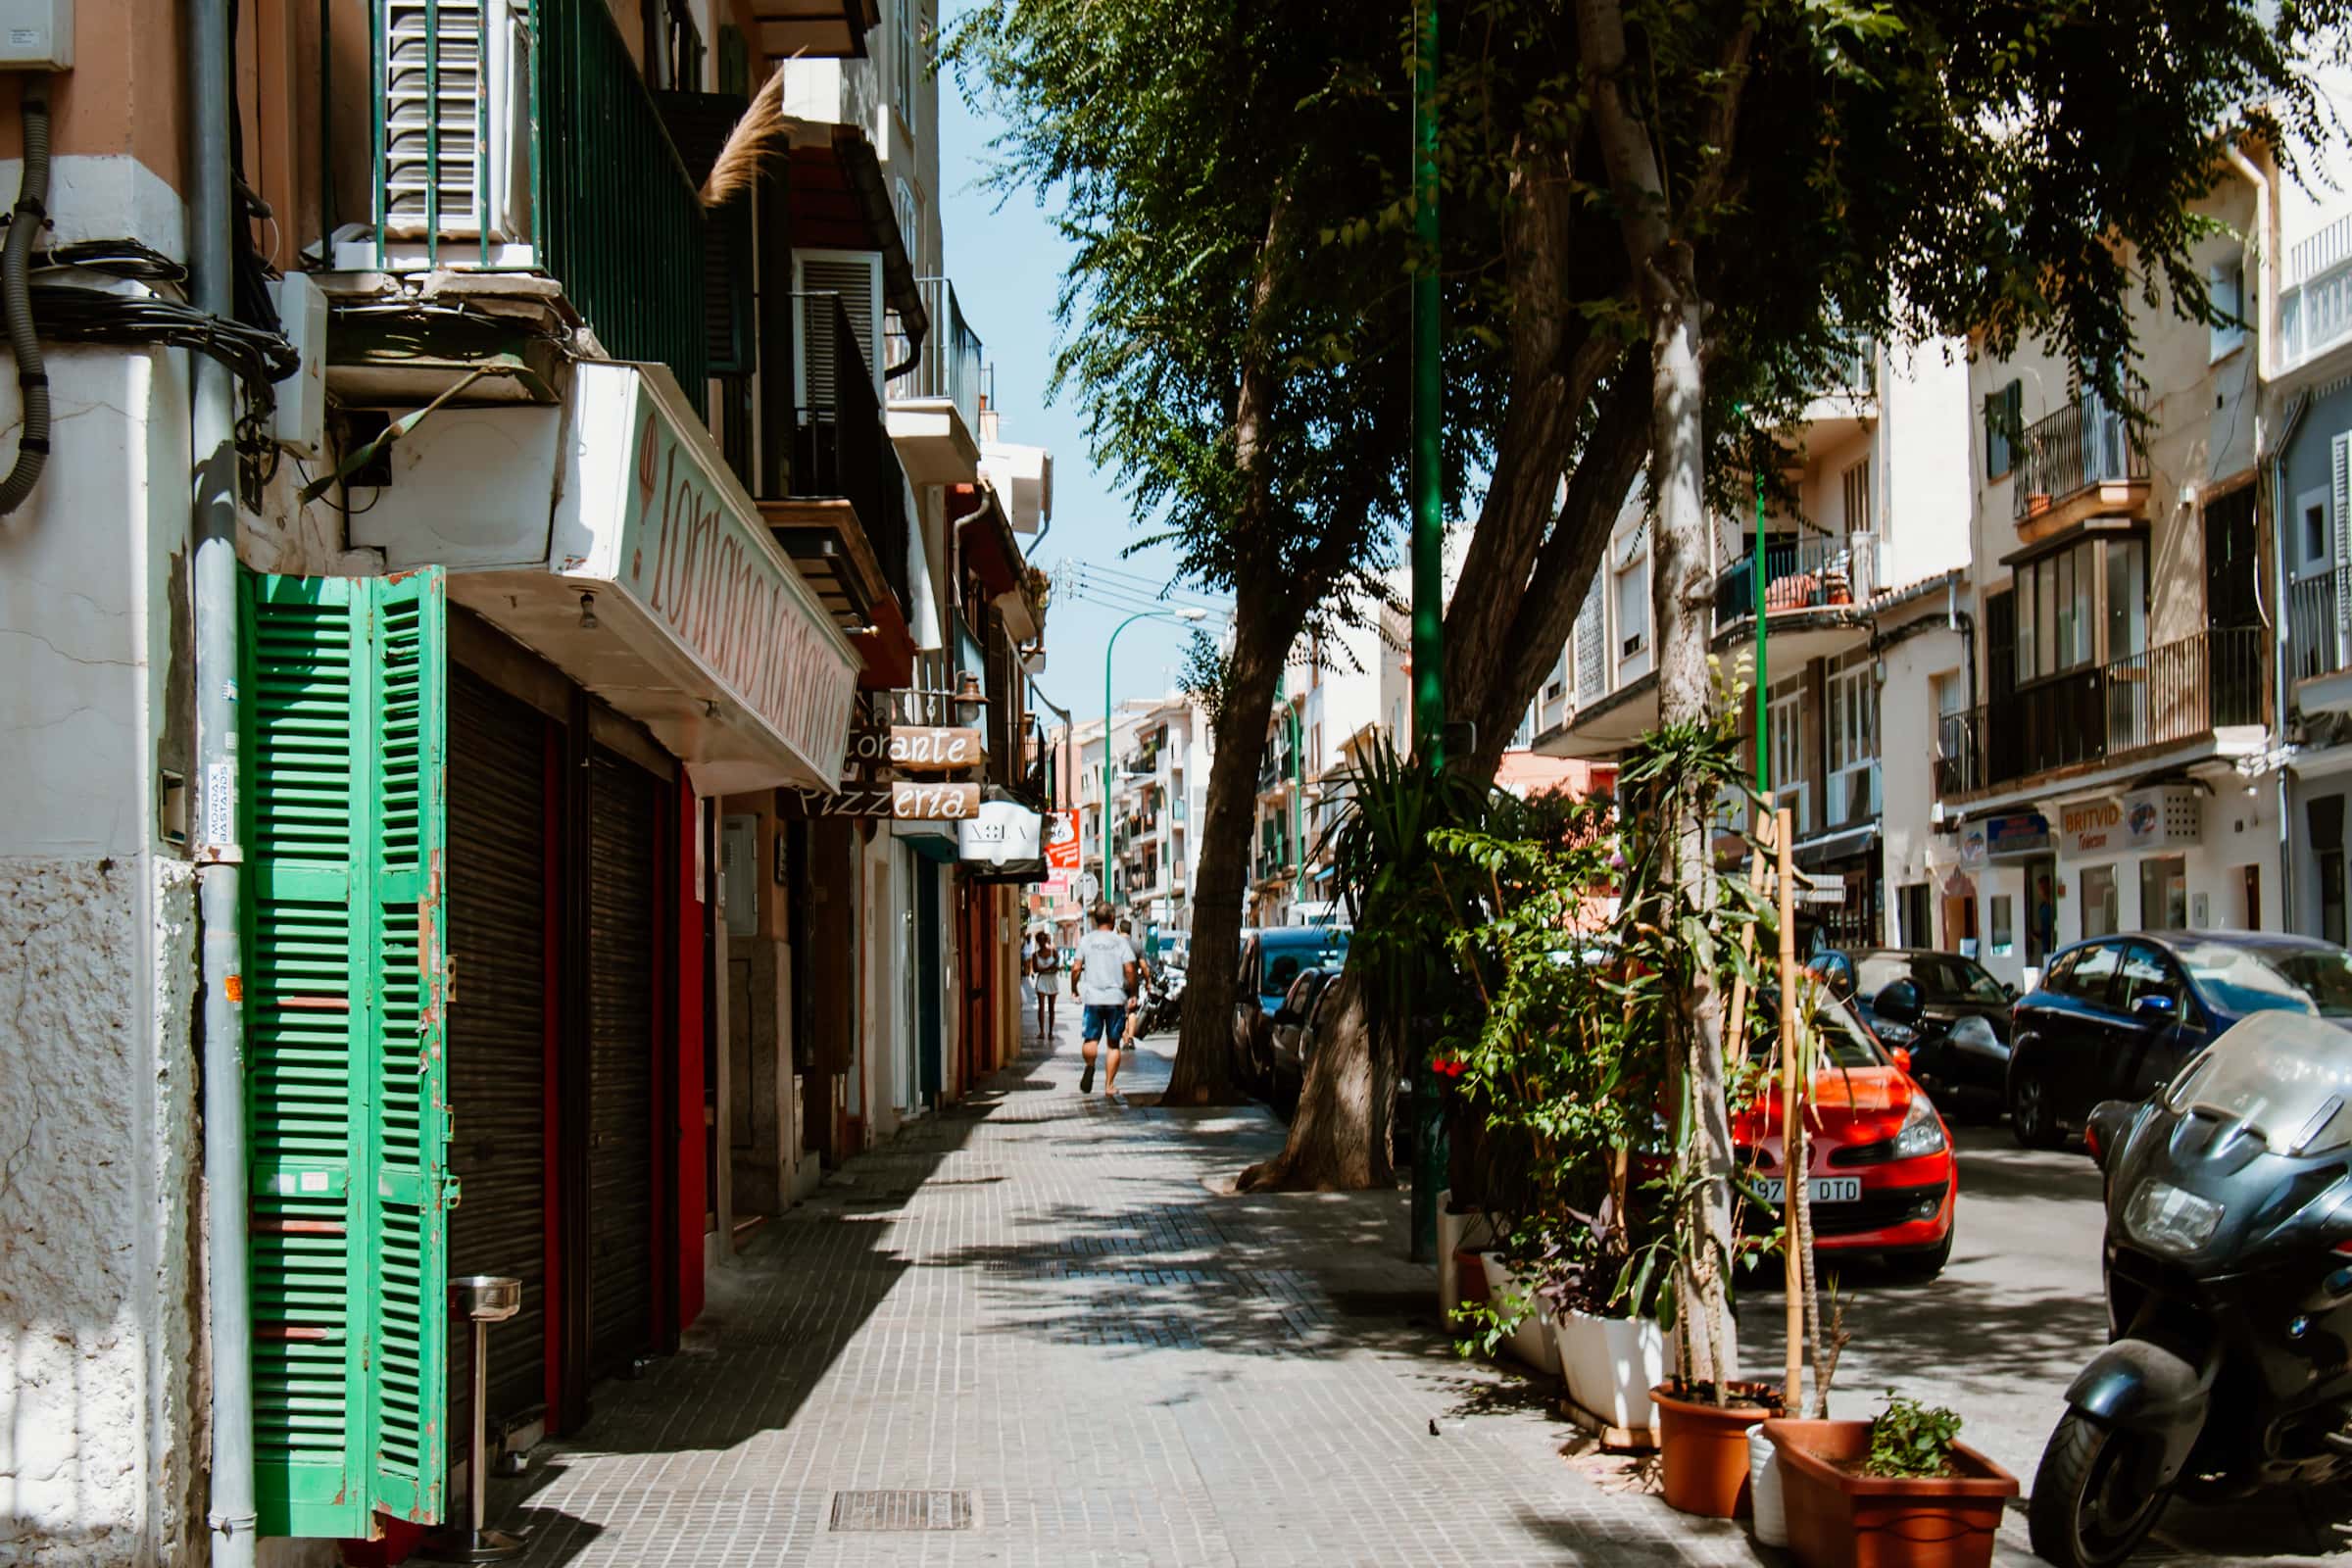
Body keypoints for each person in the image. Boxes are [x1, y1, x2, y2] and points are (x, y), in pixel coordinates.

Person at [1069, 902, 1138, 1101]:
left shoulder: (1086, 940)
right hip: (1115, 998)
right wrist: (1133, 992)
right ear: (1113, 919)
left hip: (1093, 998)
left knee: (1090, 1039)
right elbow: (1130, 970)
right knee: (1113, 1044)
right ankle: (1109, 1086)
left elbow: (1076, 968)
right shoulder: (1120, 942)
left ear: (1094, 919)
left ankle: (1090, 1065)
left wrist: (1074, 989)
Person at [1030, 931, 1060, 1040]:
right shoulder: (1035, 955)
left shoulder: (1053, 952)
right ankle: (1042, 1031)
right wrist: (1049, 967)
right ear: (1038, 941)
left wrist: (1049, 968)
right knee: (1041, 1007)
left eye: (1044, 939)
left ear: (1046, 940)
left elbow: (1057, 967)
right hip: (1042, 980)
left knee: (1052, 1008)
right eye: (1040, 939)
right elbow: (1036, 969)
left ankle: (1051, 1032)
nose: (1042, 941)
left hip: (1052, 980)